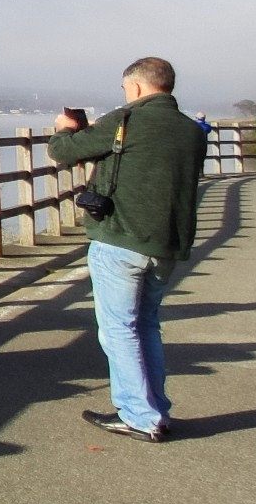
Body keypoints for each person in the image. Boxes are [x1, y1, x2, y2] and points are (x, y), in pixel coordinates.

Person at [48, 56, 208, 443]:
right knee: (147, 324)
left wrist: (62, 130)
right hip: (167, 243)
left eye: (125, 90)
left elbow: (64, 152)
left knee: (119, 329)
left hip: (120, 239)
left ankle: (139, 414)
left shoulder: (125, 120)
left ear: (135, 87)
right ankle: (156, 409)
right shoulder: (193, 131)